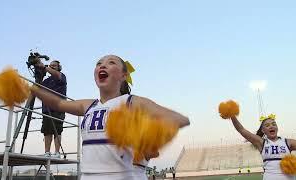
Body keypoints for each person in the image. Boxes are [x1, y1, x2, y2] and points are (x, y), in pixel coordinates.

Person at [31, 55, 190, 180]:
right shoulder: (89, 105)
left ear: (123, 75)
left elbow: (180, 119)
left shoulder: (131, 102)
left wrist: (151, 137)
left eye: (111, 62)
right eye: (99, 63)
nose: (103, 65)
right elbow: (58, 103)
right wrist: (30, 89)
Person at [230, 114, 296, 180]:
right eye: (267, 125)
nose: (271, 126)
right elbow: (241, 130)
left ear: (277, 128)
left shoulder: (288, 142)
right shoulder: (261, 143)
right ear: (263, 130)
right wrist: (232, 115)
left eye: (274, 124)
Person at [37, 60, 67, 158]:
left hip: (58, 107)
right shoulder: (46, 81)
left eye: (54, 66)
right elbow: (38, 88)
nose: (52, 67)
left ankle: (57, 152)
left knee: (57, 130)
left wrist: (45, 67)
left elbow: (56, 74)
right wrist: (40, 74)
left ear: (59, 67)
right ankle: (47, 152)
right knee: (47, 130)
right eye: (51, 65)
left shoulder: (61, 76)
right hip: (46, 108)